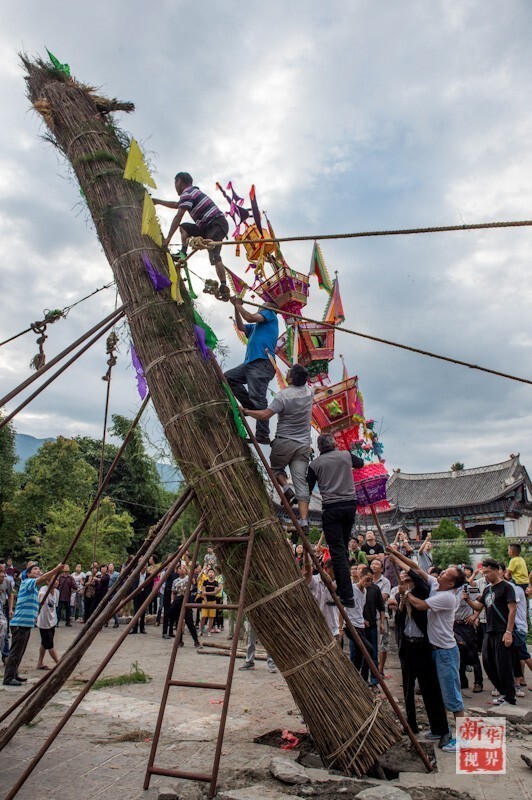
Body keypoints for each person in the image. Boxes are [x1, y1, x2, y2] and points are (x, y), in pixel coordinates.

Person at [387, 545, 466, 752]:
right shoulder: (435, 586)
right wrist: (395, 556)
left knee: (451, 696)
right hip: (435, 649)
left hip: (445, 651)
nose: (440, 573)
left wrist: (405, 593)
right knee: (438, 690)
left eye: (446, 573)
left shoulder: (447, 597)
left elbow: (421, 606)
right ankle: (441, 731)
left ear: (451, 582)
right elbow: (415, 568)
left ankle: (460, 739)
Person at [387, 562, 450, 742]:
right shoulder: (402, 596)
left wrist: (397, 560)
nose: (406, 581)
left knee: (430, 688)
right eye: (404, 579)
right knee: (407, 688)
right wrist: (400, 604)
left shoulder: (423, 592)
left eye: (408, 578)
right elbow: (399, 622)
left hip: (423, 646)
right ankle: (411, 725)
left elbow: (417, 577)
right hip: (407, 645)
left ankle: (440, 728)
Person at [245, 363, 313, 526]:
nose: (286, 373)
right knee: (301, 483)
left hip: (284, 442)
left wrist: (246, 411)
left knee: (276, 469)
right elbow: (319, 388)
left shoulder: (283, 396)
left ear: (290, 378)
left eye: (288, 372)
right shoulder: (310, 391)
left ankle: (286, 488)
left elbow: (265, 415)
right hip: (303, 445)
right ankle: (304, 522)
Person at [306, 433, 364, 606]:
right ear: (334, 444)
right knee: (343, 549)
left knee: (337, 551)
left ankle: (347, 595)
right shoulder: (345, 455)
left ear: (319, 447)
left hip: (332, 508)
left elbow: (307, 489)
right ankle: (343, 590)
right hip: (349, 506)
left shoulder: (315, 464)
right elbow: (360, 464)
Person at [153, 172, 231, 300]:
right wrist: (158, 201)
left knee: (214, 253)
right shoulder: (190, 194)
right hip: (205, 228)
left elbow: (179, 215)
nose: (175, 187)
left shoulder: (188, 193)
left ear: (179, 181)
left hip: (216, 223)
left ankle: (223, 285)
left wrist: (168, 238)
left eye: (175, 183)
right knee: (184, 227)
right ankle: (183, 253)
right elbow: (176, 205)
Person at [462, 558, 517, 707]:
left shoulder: (506, 587)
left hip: (502, 630)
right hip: (489, 630)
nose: (485, 576)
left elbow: (512, 609)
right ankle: (503, 692)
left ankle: (510, 696)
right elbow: (478, 606)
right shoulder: (487, 589)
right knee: (487, 662)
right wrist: (467, 601)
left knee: (503, 665)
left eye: (487, 572)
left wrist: (509, 632)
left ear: (495, 570)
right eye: (483, 573)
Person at [226, 296, 279, 445]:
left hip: (261, 362)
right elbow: (243, 327)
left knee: (259, 398)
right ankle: (249, 407)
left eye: (262, 306)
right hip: (249, 363)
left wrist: (238, 305)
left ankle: (263, 435)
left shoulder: (270, 314)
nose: (260, 307)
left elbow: (249, 317)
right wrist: (236, 307)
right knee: (229, 377)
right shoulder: (257, 326)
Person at [3, 562, 63, 686]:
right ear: (28, 573)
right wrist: (56, 569)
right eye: (35, 569)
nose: (37, 570)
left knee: (20, 651)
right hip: (20, 624)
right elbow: (44, 578)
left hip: (26, 624)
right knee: (15, 651)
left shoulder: (34, 589)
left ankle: (14, 674)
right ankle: (8, 678)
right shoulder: (27, 583)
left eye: (38, 569)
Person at [453, 566, 483, 693]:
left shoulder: (470, 588)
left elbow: (481, 603)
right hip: (454, 625)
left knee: (472, 653)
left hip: (466, 625)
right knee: (458, 654)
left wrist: (474, 616)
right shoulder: (450, 590)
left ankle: (478, 682)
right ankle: (462, 681)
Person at [304, 555, 341, 638]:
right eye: (334, 569)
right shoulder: (314, 580)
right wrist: (305, 554)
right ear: (326, 567)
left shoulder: (337, 583)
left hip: (333, 627)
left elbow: (336, 591)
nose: (336, 572)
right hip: (316, 626)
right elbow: (307, 573)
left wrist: (330, 582)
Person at [370, 558, 391, 675]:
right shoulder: (366, 580)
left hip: (381, 615)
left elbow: (383, 597)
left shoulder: (385, 581)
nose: (373, 565)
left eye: (376, 564)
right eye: (372, 563)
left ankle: (380, 669)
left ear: (382, 569)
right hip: (368, 615)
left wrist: (369, 599)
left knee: (383, 643)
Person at [170, 566, 200, 647]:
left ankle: (196, 641)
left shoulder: (188, 579)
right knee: (178, 622)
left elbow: (193, 582)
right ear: (177, 571)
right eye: (180, 569)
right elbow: (173, 592)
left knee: (189, 622)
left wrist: (187, 570)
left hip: (186, 601)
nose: (182, 570)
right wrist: (172, 600)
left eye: (183, 569)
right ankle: (180, 641)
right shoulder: (175, 581)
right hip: (177, 601)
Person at [36, 575, 60, 670]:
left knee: (44, 643)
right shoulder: (44, 589)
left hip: (52, 621)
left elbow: (55, 606)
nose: (56, 582)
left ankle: (40, 663)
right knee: (50, 644)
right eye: (53, 580)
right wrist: (42, 597)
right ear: (47, 582)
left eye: (57, 580)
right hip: (44, 623)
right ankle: (59, 664)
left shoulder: (57, 592)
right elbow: (41, 597)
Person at [199, 568, 220, 636]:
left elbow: (215, 592)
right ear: (207, 574)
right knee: (203, 617)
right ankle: (201, 630)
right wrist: (206, 600)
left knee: (211, 617)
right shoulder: (205, 582)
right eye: (209, 572)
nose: (211, 573)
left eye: (212, 572)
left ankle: (209, 631)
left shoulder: (216, 583)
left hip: (213, 601)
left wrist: (206, 593)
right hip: (205, 601)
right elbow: (203, 592)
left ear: (214, 574)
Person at [0, 563, 14, 664]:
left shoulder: (7, 581)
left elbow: (11, 594)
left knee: (4, 632)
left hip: (2, 607)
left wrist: (10, 609)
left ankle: (5, 655)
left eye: (3, 571)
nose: (2, 574)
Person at [130, 567, 150, 634]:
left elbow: (150, 585)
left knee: (143, 612)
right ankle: (134, 628)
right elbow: (133, 584)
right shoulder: (136, 575)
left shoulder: (148, 575)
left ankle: (142, 628)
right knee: (135, 611)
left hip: (144, 594)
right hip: (137, 594)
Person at [107, 563, 121, 628]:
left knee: (112, 607)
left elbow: (118, 582)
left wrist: (112, 588)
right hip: (105, 592)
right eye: (109, 566)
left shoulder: (117, 574)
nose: (110, 567)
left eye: (111, 566)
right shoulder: (106, 574)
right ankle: (105, 622)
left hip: (113, 592)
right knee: (105, 607)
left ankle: (117, 621)